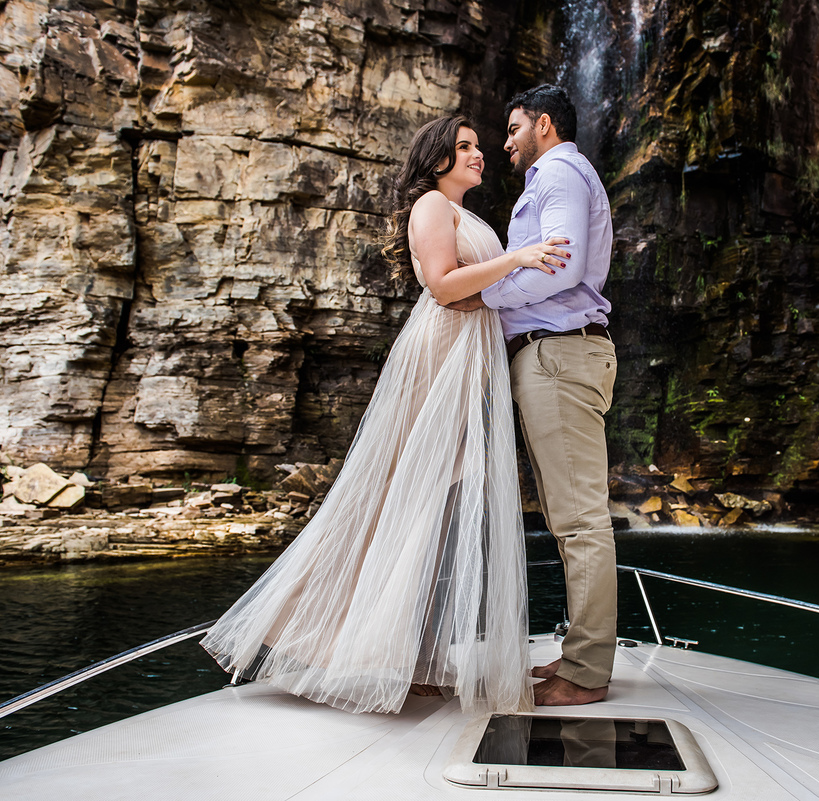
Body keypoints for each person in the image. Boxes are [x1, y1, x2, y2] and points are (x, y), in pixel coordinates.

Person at [200, 116, 571, 715]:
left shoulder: (466, 213)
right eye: (465, 146)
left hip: (468, 358)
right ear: (437, 158)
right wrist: (520, 258)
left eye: (479, 145)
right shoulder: (430, 204)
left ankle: (410, 655)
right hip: (440, 355)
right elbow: (443, 285)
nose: (479, 154)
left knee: (437, 498)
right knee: (403, 491)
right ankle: (311, 633)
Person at [451, 85, 618, 706]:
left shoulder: (560, 172)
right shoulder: (552, 177)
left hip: (559, 354)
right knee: (567, 517)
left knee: (579, 520)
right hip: (553, 356)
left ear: (544, 124)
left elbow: (564, 266)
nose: (506, 141)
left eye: (514, 127)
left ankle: (587, 672)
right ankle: (580, 655)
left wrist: (483, 298)